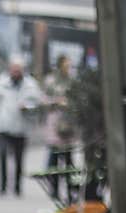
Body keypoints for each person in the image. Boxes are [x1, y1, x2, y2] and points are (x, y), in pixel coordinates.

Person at [0, 54, 41, 196]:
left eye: (18, 69)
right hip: (3, 125)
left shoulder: (31, 85)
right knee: (2, 156)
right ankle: (3, 187)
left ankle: (17, 187)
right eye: (14, 69)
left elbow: (37, 105)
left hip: (21, 127)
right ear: (9, 69)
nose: (16, 72)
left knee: (19, 158)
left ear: (23, 70)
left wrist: (27, 107)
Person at [42, 54, 78, 203]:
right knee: (54, 157)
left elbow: (78, 98)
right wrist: (56, 101)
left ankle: (71, 190)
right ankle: (54, 188)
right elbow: (43, 99)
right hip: (55, 122)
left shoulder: (72, 80)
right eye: (66, 64)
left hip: (69, 122)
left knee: (69, 159)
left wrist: (70, 103)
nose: (68, 67)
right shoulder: (51, 81)